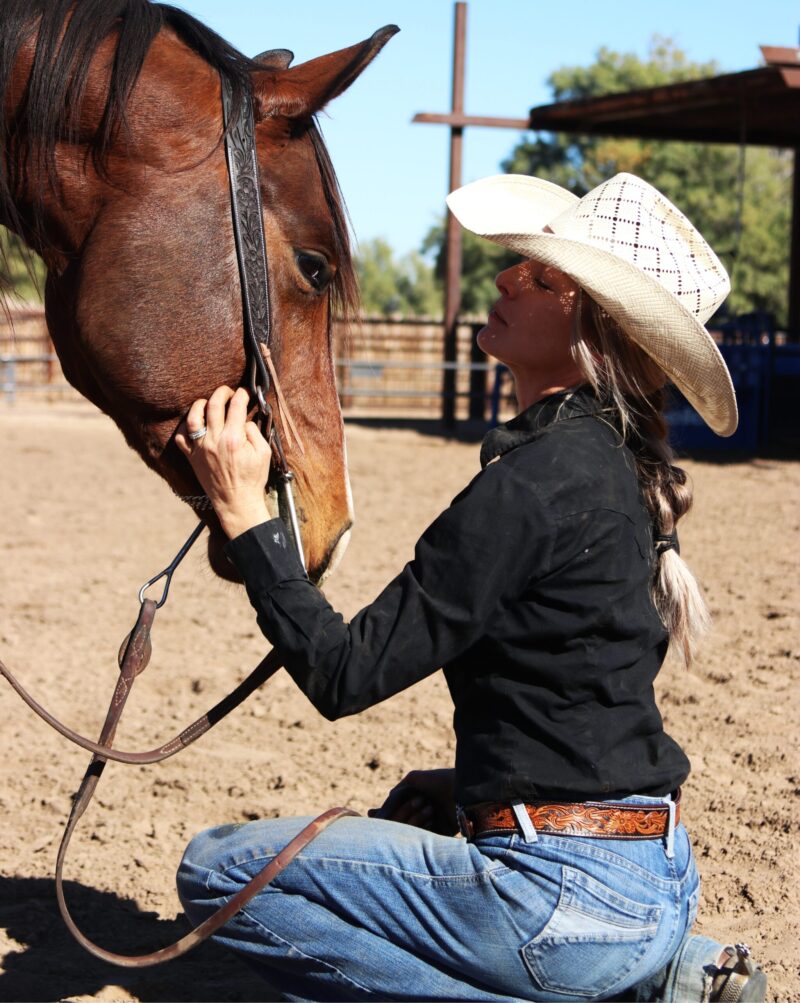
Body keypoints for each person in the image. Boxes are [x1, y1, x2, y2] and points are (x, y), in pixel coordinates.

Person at [174, 172, 767, 1002]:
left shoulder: (535, 480)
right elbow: (579, 692)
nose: (506, 278)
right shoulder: (616, 467)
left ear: (589, 320)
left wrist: (246, 515)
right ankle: (659, 977)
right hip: (657, 880)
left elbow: (346, 674)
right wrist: (466, 789)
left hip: (561, 898)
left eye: (542, 275)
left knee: (220, 872)